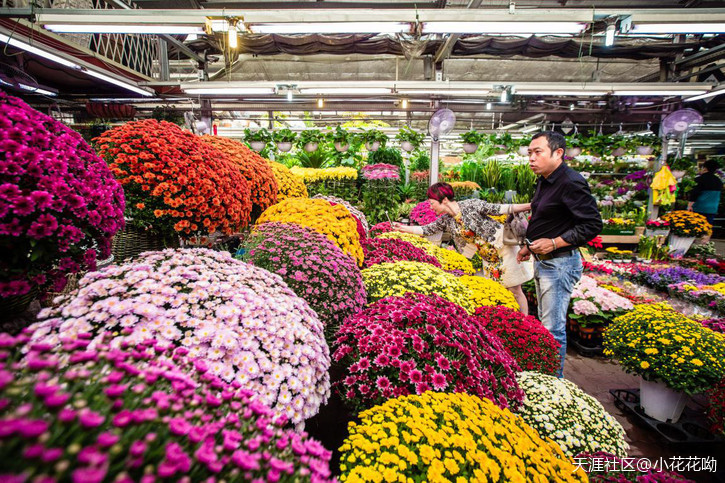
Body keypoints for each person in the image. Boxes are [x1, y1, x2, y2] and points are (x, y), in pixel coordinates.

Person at [517, 131, 602, 377]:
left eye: (538, 152)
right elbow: (547, 218)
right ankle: (544, 376)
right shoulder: (545, 179)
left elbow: (592, 225)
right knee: (544, 325)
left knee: (553, 328)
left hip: (560, 263)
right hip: (545, 262)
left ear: (558, 153)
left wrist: (554, 243)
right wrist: (528, 244)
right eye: (529, 153)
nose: (531, 158)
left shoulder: (570, 182)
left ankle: (554, 383)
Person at [393, 182, 533, 314]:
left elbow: (500, 209)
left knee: (515, 289)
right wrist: (402, 228)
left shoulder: (470, 204)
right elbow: (427, 229)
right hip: (488, 258)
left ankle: (525, 321)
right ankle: (510, 319)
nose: (430, 207)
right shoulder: (446, 220)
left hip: (503, 250)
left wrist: (533, 205)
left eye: (432, 203)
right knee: (499, 290)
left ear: (444, 199)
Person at [688, 159, 722, 227]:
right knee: (708, 227)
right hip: (712, 208)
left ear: (705, 168)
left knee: (697, 227)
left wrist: (690, 205)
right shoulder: (718, 181)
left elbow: (694, 193)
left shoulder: (699, 179)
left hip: (699, 207)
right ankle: (706, 238)